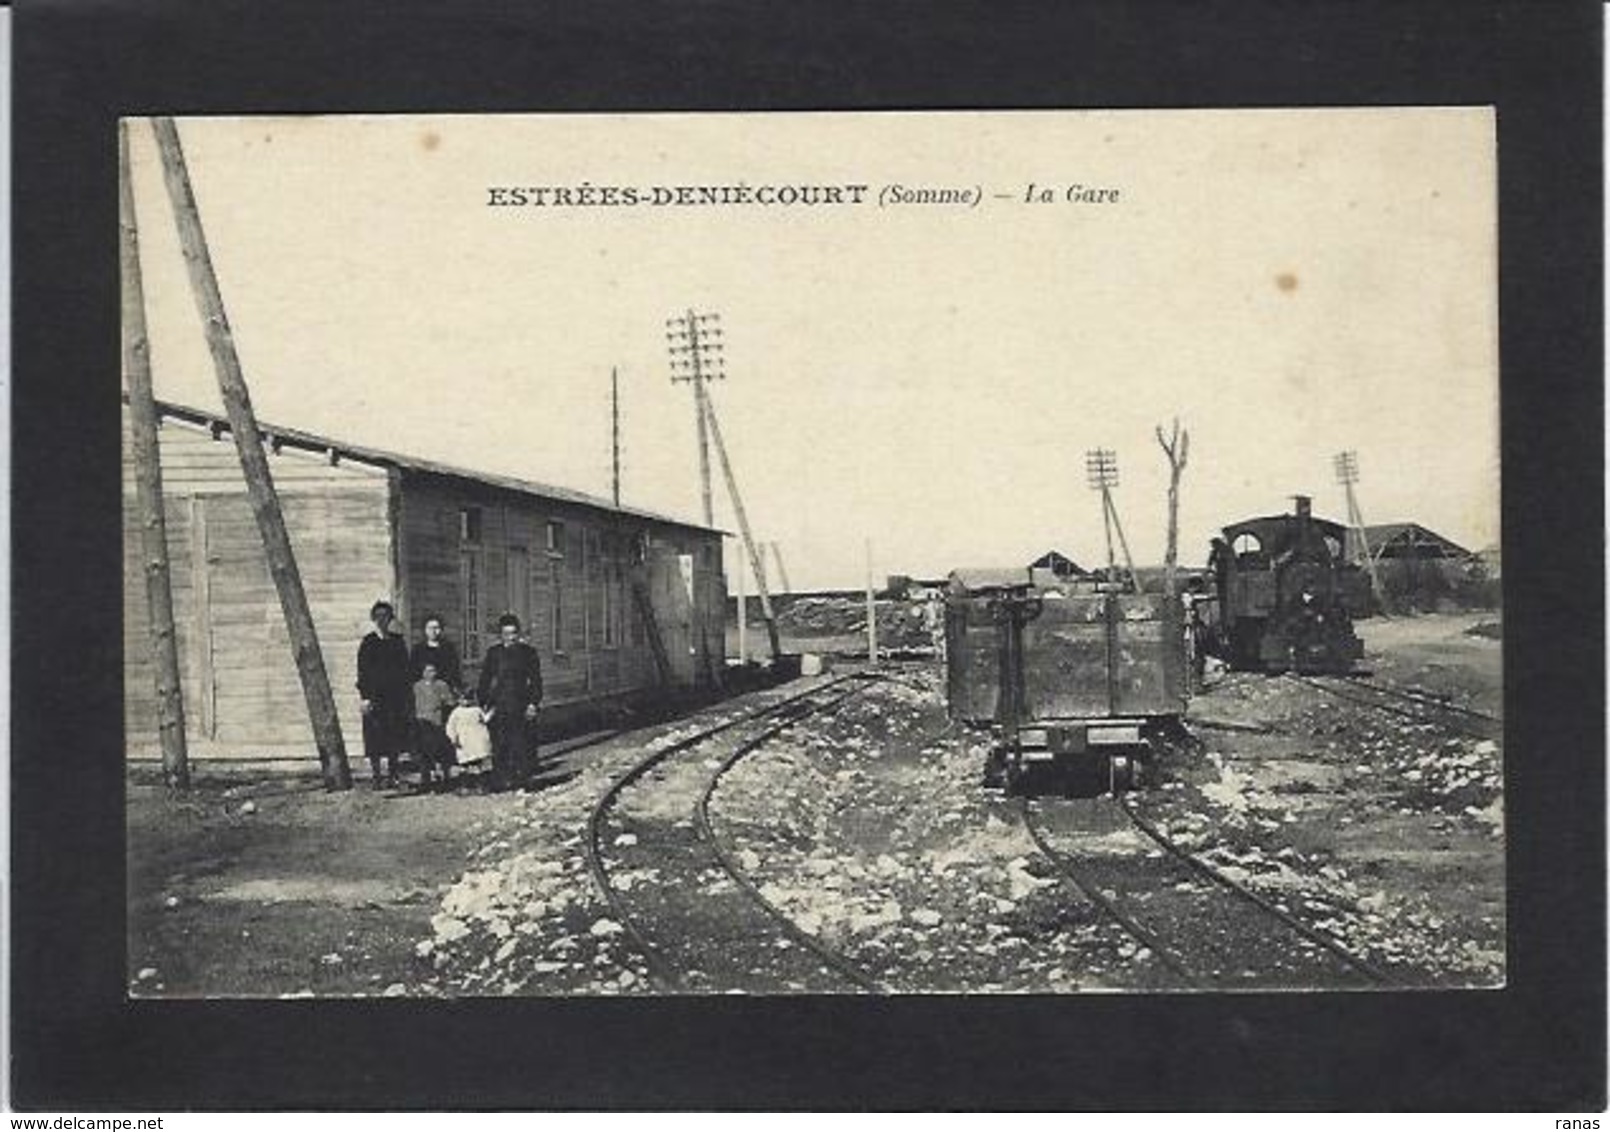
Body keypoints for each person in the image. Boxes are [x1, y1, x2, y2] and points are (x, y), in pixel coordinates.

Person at [476, 613, 543, 790]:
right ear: (501, 634)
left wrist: (533, 704)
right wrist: (483, 704)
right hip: (499, 705)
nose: (510, 637)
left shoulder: (528, 653)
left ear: (518, 633)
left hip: (521, 704)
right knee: (499, 744)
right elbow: (485, 680)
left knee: (521, 743)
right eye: (506, 633)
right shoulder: (494, 653)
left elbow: (536, 681)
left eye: (513, 633)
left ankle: (522, 781)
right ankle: (500, 781)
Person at [357, 600, 412, 789]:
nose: (382, 620)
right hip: (374, 697)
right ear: (373, 619)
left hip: (394, 698)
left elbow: (406, 671)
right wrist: (365, 697)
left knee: (394, 736)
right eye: (378, 617)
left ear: (391, 619)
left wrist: (405, 697)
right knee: (374, 736)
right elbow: (362, 672)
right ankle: (376, 776)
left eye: (386, 617)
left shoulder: (397, 642)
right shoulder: (368, 642)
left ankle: (393, 775)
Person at [410, 661, 458, 791]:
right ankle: (426, 779)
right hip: (422, 723)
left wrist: (446, 699)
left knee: (440, 750)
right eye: (427, 671)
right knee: (424, 751)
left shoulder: (441, 685)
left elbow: (450, 701)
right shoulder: (417, 686)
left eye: (433, 671)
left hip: (437, 722)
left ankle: (445, 777)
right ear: (422, 673)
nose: (430, 674)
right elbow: (413, 703)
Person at [445, 687, 494, 785]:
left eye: (468, 699)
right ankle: (466, 785)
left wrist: (492, 711)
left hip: (478, 738)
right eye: (463, 699)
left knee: (481, 761)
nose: (465, 702)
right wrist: (453, 738)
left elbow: (485, 719)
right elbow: (450, 726)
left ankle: (482, 785)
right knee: (466, 763)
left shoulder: (477, 710)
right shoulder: (456, 712)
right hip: (464, 739)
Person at [410, 613, 463, 692]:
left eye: (436, 628)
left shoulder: (448, 649)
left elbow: (454, 671)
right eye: (430, 628)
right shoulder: (418, 650)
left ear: (441, 630)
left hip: (444, 689)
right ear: (425, 630)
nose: (433, 631)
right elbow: (413, 673)